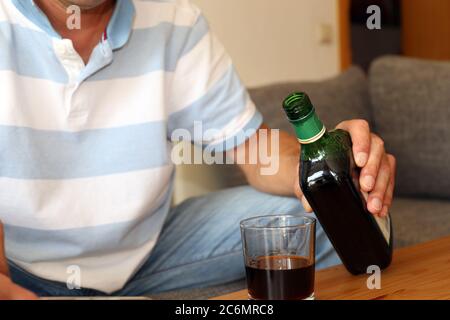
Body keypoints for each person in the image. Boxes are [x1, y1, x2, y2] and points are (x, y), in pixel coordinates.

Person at [0, 0, 396, 299]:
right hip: (20, 265)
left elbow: (256, 149)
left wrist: (330, 167)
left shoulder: (175, 18)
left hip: (150, 251)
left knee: (317, 212)